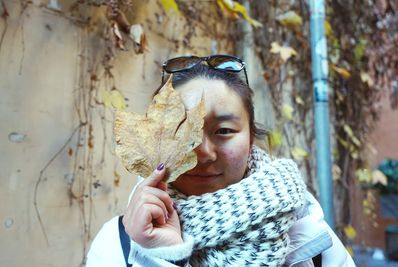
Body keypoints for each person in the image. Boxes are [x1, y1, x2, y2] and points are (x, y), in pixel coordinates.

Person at [87, 55, 355, 267]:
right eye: (183, 131)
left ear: (251, 141)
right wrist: (162, 256)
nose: (203, 153)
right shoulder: (118, 243)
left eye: (224, 131)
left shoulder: (310, 236)